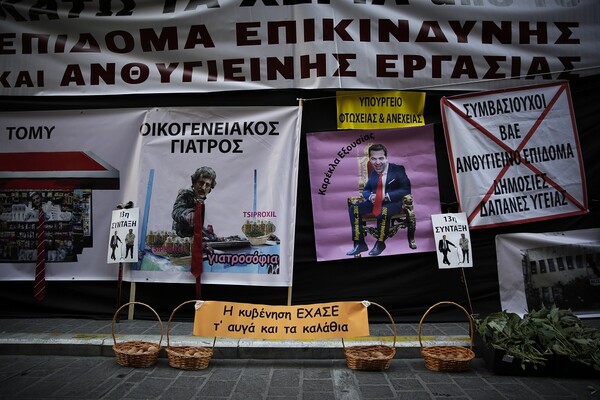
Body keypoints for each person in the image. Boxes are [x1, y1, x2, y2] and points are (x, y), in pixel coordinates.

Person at [347, 143, 411, 257]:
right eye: (374, 159)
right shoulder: (373, 173)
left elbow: (406, 189)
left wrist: (386, 196)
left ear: (386, 158)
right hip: (374, 202)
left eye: (381, 158)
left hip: (392, 203)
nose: (377, 162)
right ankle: (359, 243)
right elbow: (366, 190)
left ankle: (380, 243)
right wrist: (370, 196)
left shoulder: (397, 169)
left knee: (383, 211)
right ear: (370, 159)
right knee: (354, 209)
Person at [172, 166, 218, 241]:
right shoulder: (186, 194)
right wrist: (187, 214)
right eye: (201, 183)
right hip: (180, 242)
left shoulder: (200, 200)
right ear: (194, 183)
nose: (203, 188)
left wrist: (210, 235)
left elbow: (198, 226)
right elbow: (177, 211)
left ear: (210, 188)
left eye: (207, 185)